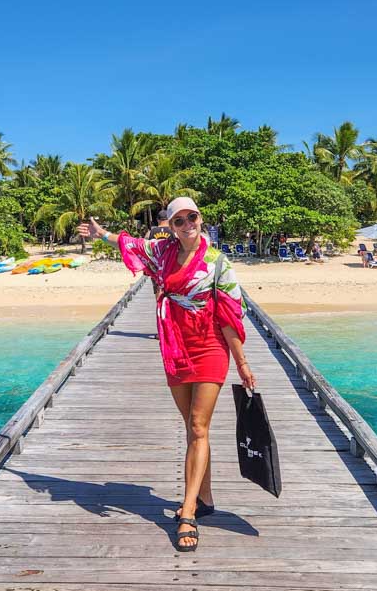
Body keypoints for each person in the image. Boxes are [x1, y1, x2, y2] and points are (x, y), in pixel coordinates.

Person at [79, 197, 253, 552]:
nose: (188, 224)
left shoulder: (217, 263)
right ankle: (205, 499)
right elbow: (130, 244)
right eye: (179, 220)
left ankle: (187, 513)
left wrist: (242, 362)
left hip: (210, 347)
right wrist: (101, 235)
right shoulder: (162, 253)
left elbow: (230, 314)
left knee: (199, 426)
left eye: (193, 217)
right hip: (175, 345)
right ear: (170, 226)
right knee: (192, 427)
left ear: (201, 219)